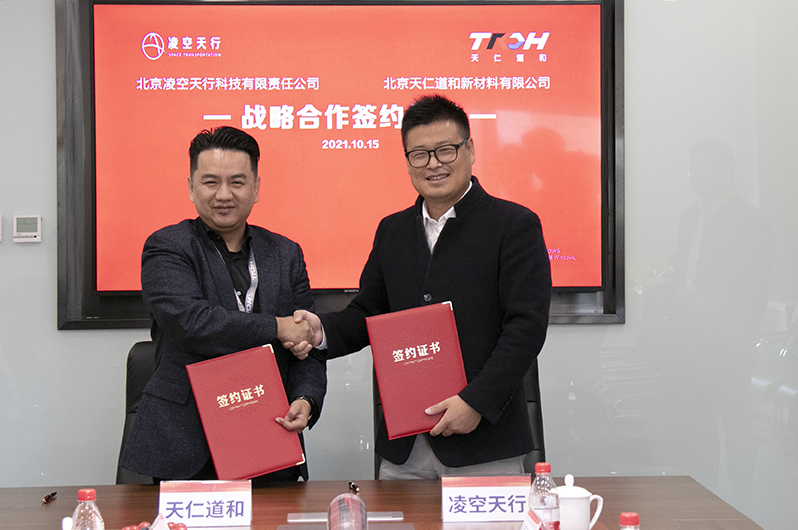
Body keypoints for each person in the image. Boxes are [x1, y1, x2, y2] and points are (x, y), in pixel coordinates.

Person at [291, 95, 551, 478]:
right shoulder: (392, 231)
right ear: (407, 161)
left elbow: (526, 327)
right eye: (419, 154)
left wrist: (476, 402)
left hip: (483, 444)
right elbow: (369, 313)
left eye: (446, 150)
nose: (433, 164)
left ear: (470, 149)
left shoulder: (514, 225)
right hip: (405, 449)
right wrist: (320, 331)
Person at [119, 126, 326, 483]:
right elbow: (192, 323)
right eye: (211, 182)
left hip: (270, 433)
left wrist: (306, 398)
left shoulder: (285, 253)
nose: (224, 194)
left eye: (237, 182)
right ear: (191, 187)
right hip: (186, 442)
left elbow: (306, 340)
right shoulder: (167, 246)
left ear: (256, 187)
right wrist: (277, 327)